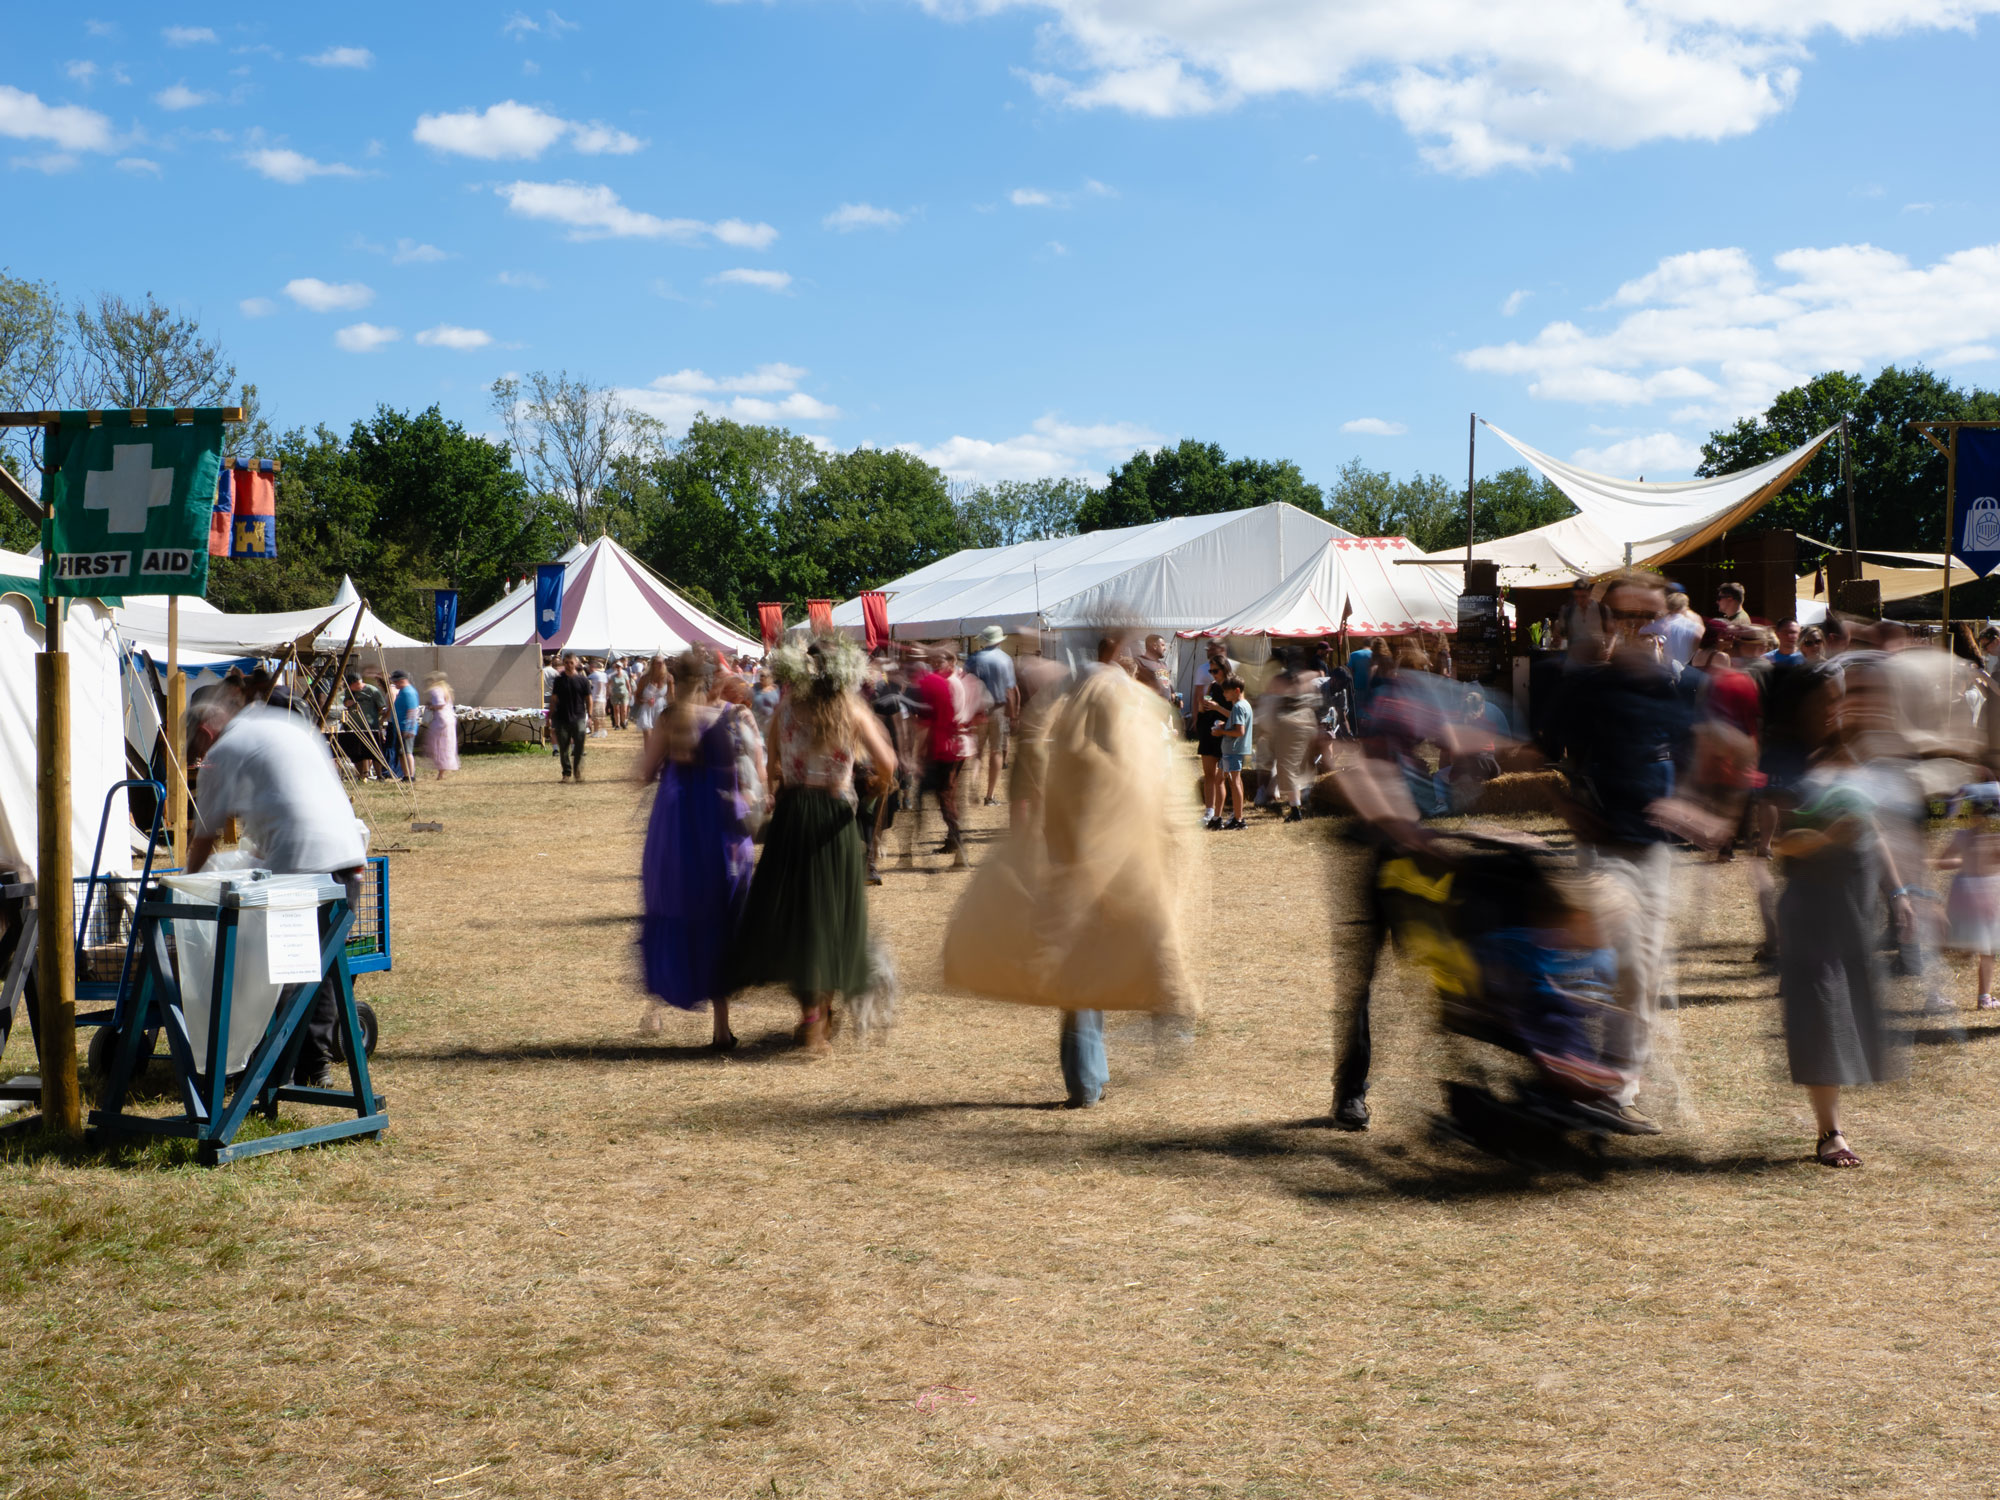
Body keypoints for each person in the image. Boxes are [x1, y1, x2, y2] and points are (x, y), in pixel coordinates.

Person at [942, 655, 1202, 1107]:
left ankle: (1090, 1075)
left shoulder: (1069, 735)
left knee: (1084, 970)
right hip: (1111, 868)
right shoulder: (1127, 738)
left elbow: (1037, 801)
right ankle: (1113, 1059)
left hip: (1087, 867)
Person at [1548, 569, 1693, 1132]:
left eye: (1646, 617)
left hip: (1653, 850)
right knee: (1604, 962)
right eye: (1625, 616)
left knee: (1641, 971)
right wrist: (1568, 808)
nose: (1636, 627)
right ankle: (1580, 1070)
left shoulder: (1672, 686)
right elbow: (1541, 756)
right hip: (1603, 847)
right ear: (1606, 620)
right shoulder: (1584, 686)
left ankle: (1620, 1085)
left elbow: (1699, 750)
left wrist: (1697, 804)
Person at [185, 698, 369, 1089]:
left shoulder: (223, 751)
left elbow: (203, 837)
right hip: (348, 858)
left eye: (198, 751)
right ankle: (313, 1066)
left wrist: (184, 892)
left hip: (299, 869)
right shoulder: (285, 726)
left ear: (205, 734)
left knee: (279, 969)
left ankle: (268, 1073)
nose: (201, 759)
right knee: (323, 970)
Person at [1771, 663, 1911, 1168]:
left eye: (1839, 698)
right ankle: (1830, 1131)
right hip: (1812, 908)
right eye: (1826, 701)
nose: (1836, 708)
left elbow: (1870, 827)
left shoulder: (1850, 754)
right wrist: (1831, 836)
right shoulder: (1788, 765)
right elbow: (1779, 843)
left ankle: (1833, 1123)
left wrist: (1899, 892)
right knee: (1821, 1013)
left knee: (1853, 1006)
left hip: (1855, 907)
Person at [726, 636, 895, 1053]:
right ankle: (818, 1024)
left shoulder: (785, 708)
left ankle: (811, 1018)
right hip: (833, 821)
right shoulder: (852, 710)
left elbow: (774, 765)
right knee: (831, 919)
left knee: (796, 918)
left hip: (792, 817)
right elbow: (888, 765)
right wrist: (872, 790)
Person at [637, 649, 756, 1049]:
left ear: (674, 679)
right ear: (708, 681)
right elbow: (741, 774)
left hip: (676, 828)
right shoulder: (726, 718)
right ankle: (722, 1027)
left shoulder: (669, 719)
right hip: (716, 826)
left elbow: (643, 773)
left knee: (671, 906)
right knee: (717, 913)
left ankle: (655, 1009)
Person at [1938, 788, 2000, 1010]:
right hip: (1988, 892)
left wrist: (1964, 863)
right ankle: (1984, 997)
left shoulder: (1962, 835)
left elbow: (1943, 861)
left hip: (1962, 891)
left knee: (1948, 945)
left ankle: (1934, 993)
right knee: (1989, 948)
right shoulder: (1994, 837)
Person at [1265, 648, 1326, 823]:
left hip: (1290, 725)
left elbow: (1270, 703)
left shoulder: (1280, 679)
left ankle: (1295, 808)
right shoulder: (1309, 677)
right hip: (1309, 723)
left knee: (1288, 767)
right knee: (1304, 765)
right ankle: (1303, 799)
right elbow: (1317, 702)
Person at [967, 625, 1019, 808]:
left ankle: (973, 786)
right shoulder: (1005, 660)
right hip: (998, 708)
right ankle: (989, 796)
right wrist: (1013, 716)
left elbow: (967, 684)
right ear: (999, 640)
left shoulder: (973, 659)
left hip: (978, 709)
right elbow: (1010, 690)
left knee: (978, 752)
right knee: (996, 752)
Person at [338, 669, 388, 782]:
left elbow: (381, 708)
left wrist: (380, 722)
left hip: (371, 727)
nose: (356, 687)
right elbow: (344, 703)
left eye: (358, 684)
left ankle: (379, 776)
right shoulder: (349, 692)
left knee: (375, 752)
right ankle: (362, 774)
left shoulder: (373, 691)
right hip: (355, 727)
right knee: (359, 753)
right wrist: (347, 703)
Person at [549, 655, 593, 783]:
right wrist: (550, 716)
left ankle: (577, 772)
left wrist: (589, 716)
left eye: (571, 663)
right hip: (562, 717)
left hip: (579, 716)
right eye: (566, 663)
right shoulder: (559, 680)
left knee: (579, 746)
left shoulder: (583, 680)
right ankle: (566, 773)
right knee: (563, 747)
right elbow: (554, 698)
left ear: (576, 664)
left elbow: (589, 699)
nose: (569, 665)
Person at [1216, 677, 1252, 830]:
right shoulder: (1245, 705)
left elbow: (1239, 731)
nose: (1224, 694)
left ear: (1237, 691)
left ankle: (1238, 819)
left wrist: (1220, 731)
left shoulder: (1238, 707)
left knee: (1234, 782)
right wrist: (1226, 725)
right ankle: (1236, 817)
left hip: (1233, 750)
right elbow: (1237, 726)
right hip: (1235, 750)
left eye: (1226, 692)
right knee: (1231, 781)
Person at [1192, 681, 1229, 828]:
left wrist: (1216, 707)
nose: (1213, 674)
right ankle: (1209, 812)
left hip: (1225, 736)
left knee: (1226, 778)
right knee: (1209, 775)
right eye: (1211, 671)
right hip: (1208, 734)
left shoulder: (1231, 686)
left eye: (1215, 671)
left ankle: (1222, 814)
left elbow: (1235, 714)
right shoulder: (1212, 686)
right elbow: (1203, 710)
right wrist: (1202, 707)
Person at [1642, 590, 1704, 672]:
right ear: (1685, 606)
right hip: (1685, 670)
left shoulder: (1655, 625)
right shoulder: (1694, 627)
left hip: (1661, 670)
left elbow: (1640, 634)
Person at [420, 672, 459, 780]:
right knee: (446, 745)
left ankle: (441, 771)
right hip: (449, 719)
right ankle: (442, 771)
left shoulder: (436, 690)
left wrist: (431, 706)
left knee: (437, 744)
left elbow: (440, 704)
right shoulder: (446, 689)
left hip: (441, 720)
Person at [388, 670, 422, 782]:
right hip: (400, 727)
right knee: (401, 753)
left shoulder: (408, 692)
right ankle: (405, 775)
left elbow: (412, 711)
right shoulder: (403, 691)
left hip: (405, 728)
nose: (395, 684)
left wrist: (409, 729)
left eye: (396, 682)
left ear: (402, 680)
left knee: (407, 752)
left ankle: (410, 776)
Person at [632, 657, 670, 734]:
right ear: (653, 665)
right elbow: (637, 695)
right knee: (648, 736)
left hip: (661, 709)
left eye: (662, 663)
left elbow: (671, 697)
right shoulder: (645, 679)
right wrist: (645, 701)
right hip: (647, 709)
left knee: (659, 736)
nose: (661, 665)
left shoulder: (668, 678)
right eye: (658, 663)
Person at [587, 659, 610, 737]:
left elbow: (587, 681)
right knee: (602, 716)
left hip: (596, 698)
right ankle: (603, 730)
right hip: (603, 698)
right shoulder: (604, 675)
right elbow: (607, 686)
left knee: (596, 716)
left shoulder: (594, 675)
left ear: (593, 667)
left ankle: (596, 731)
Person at [606, 659, 631, 730]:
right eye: (617, 667)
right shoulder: (612, 676)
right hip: (615, 694)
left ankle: (623, 722)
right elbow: (609, 685)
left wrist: (630, 692)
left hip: (624, 694)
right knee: (616, 710)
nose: (618, 668)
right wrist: (609, 693)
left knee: (624, 710)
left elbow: (628, 684)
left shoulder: (625, 675)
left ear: (621, 667)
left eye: (619, 667)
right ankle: (617, 724)